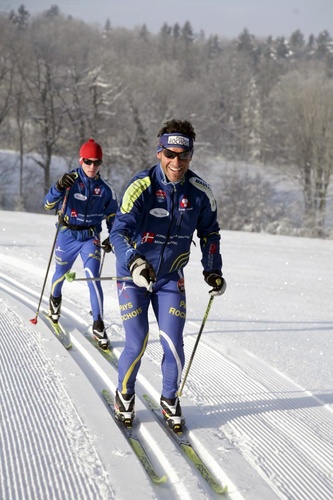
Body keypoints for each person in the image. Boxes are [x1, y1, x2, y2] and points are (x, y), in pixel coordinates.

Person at [109, 119, 226, 431]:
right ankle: (124, 394)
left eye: (184, 156)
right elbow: (119, 231)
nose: (177, 162)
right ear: (159, 152)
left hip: (170, 277)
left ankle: (169, 398)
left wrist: (213, 271)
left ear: (191, 156)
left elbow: (209, 234)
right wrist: (134, 263)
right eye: (170, 154)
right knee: (137, 341)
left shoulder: (200, 192)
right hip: (134, 276)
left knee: (173, 342)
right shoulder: (141, 186)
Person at [44, 138, 117, 349]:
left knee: (93, 279)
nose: (92, 166)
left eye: (97, 162)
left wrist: (113, 235)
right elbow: (48, 204)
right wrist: (58, 187)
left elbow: (113, 215)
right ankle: (55, 300)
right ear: (81, 160)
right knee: (60, 274)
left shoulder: (105, 189)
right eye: (88, 161)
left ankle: (98, 324)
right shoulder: (69, 181)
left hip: (90, 237)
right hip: (67, 235)